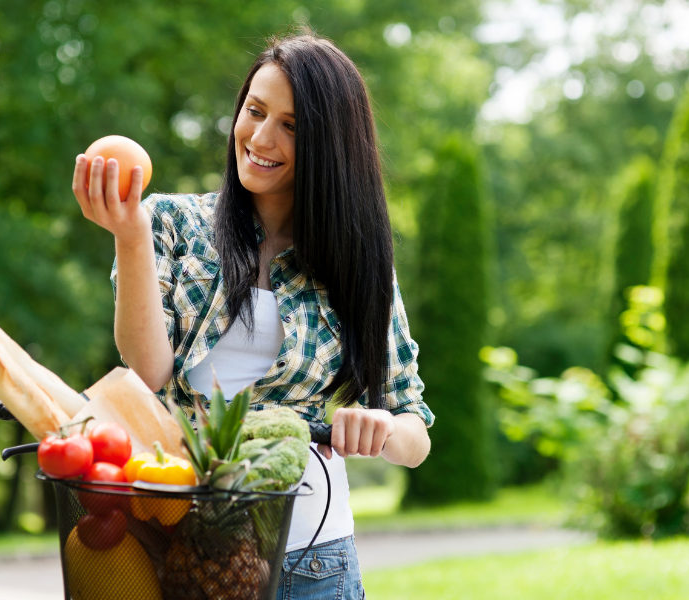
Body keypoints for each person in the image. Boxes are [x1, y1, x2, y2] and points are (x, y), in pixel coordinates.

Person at [73, 29, 433, 600]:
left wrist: (385, 428)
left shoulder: (359, 266)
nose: (261, 137)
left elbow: (414, 428)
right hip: (182, 550)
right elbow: (147, 371)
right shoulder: (167, 225)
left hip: (313, 560)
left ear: (331, 146)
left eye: (291, 125)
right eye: (255, 111)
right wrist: (130, 236)